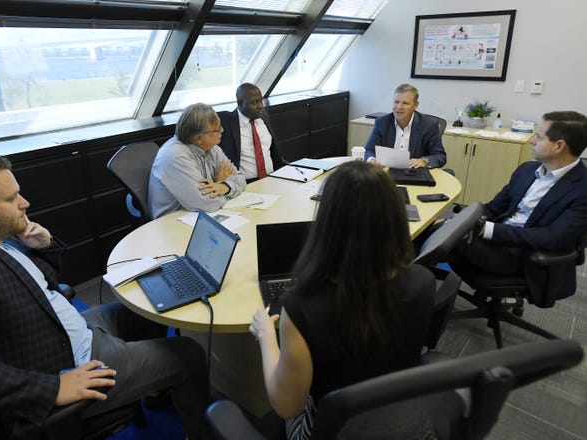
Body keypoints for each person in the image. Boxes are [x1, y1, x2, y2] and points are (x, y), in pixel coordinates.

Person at [0, 156, 210, 438]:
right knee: (190, 353)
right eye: (12, 198)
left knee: (142, 308)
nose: (24, 203)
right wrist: (53, 388)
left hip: (71, 328)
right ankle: (199, 433)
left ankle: (154, 390)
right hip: (73, 361)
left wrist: (45, 247)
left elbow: (40, 286)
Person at [249, 161, 436, 439]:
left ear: (327, 224)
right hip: (404, 422)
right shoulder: (424, 280)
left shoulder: (302, 307)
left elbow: (287, 406)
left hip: (330, 430)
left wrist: (267, 336)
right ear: (395, 217)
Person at [448, 111, 587, 303]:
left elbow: (553, 238)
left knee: (441, 239)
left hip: (526, 256)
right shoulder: (527, 170)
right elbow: (494, 208)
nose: (532, 141)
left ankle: (415, 296)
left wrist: (484, 229)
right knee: (434, 228)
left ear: (558, 146)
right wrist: (459, 222)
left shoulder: (581, 189)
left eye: (538, 137)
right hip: (496, 237)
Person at [149, 103, 247, 219]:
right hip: (173, 222)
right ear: (199, 138)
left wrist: (224, 186)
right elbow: (207, 204)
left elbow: (240, 179)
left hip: (200, 215)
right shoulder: (176, 156)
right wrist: (219, 183)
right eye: (217, 129)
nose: (222, 130)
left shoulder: (213, 148)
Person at [364, 83, 446, 168]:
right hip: (387, 172)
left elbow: (439, 156)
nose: (399, 107)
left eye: (405, 103)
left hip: (414, 172)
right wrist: (371, 160)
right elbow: (369, 150)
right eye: (396, 102)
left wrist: (424, 161)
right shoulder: (382, 123)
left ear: (415, 105)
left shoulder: (429, 125)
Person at [218, 83, 285, 182]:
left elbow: (273, 151)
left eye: (261, 101)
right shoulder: (225, 122)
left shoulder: (263, 116)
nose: (260, 106)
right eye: (254, 103)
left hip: (272, 177)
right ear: (240, 103)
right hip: (244, 183)